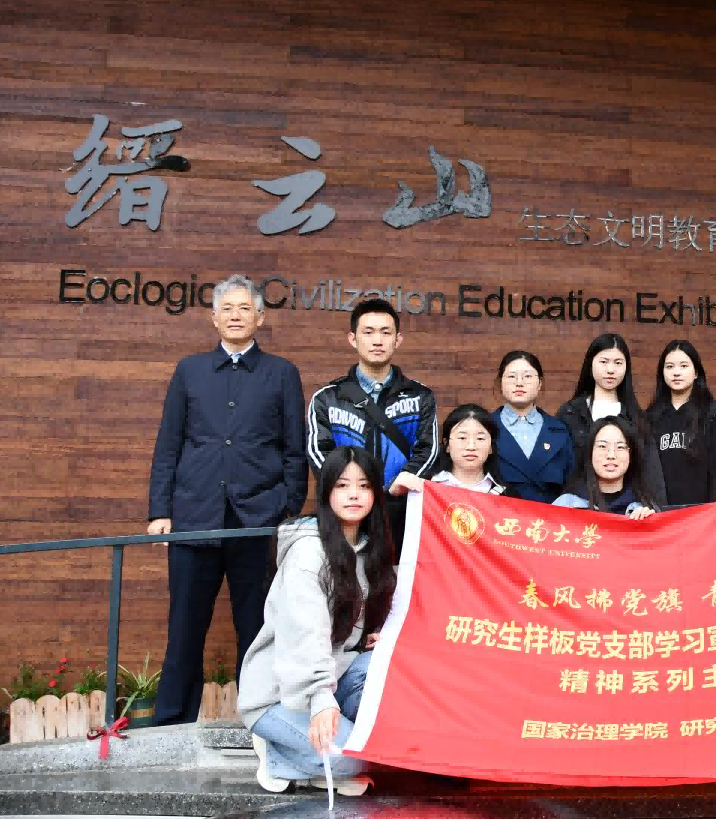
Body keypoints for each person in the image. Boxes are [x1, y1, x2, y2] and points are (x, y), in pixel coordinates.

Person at [148, 274, 308, 726]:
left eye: (245, 308)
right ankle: (171, 722)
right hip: (194, 516)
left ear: (260, 317)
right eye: (228, 308)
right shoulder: (190, 370)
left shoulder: (282, 373)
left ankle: (258, 722)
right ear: (214, 318)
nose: (236, 316)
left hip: (258, 519)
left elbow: (294, 449)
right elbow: (169, 445)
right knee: (185, 625)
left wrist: (288, 508)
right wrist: (160, 511)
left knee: (255, 626)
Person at [238, 446, 396, 796]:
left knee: (393, 727)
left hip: (336, 675)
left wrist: (379, 636)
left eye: (364, 486)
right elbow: (305, 634)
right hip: (279, 694)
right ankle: (278, 754)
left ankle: (313, 758)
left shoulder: (370, 550)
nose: (354, 494)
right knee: (360, 757)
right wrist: (321, 699)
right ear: (326, 492)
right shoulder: (308, 552)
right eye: (342, 485)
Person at [306, 298, 438, 554]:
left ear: (398, 340)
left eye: (385, 332)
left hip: (401, 513)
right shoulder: (328, 397)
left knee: (396, 576)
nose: (377, 341)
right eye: (368, 332)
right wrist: (351, 489)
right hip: (346, 513)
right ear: (353, 339)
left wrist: (402, 482)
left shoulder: (420, 396)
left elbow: (428, 449)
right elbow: (318, 452)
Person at [556, 333, 666, 504]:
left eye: (618, 363)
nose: (610, 370)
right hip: (578, 508)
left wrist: (655, 509)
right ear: (590, 363)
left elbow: (651, 473)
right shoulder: (570, 413)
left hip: (626, 510)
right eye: (604, 362)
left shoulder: (637, 418)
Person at [646, 339, 716, 507]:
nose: (676, 372)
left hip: (702, 510)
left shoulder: (713, 412)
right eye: (670, 367)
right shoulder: (650, 416)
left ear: (696, 372)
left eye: (684, 366)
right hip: (661, 510)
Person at [490, 350, 573, 503]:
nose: (519, 382)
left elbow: (572, 484)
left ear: (540, 383)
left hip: (549, 516)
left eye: (527, 376)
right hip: (500, 515)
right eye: (512, 376)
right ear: (500, 382)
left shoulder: (558, 431)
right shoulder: (485, 429)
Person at [553, 417, 661, 519]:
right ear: (590, 452)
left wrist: (648, 523)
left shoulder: (644, 506)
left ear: (631, 455)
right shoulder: (566, 504)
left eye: (620, 447)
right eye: (602, 446)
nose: (611, 455)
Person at [428, 404, 505, 494]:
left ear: (491, 447)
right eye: (462, 438)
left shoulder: (506, 495)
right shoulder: (424, 488)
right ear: (447, 444)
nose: (471, 447)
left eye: (480, 438)